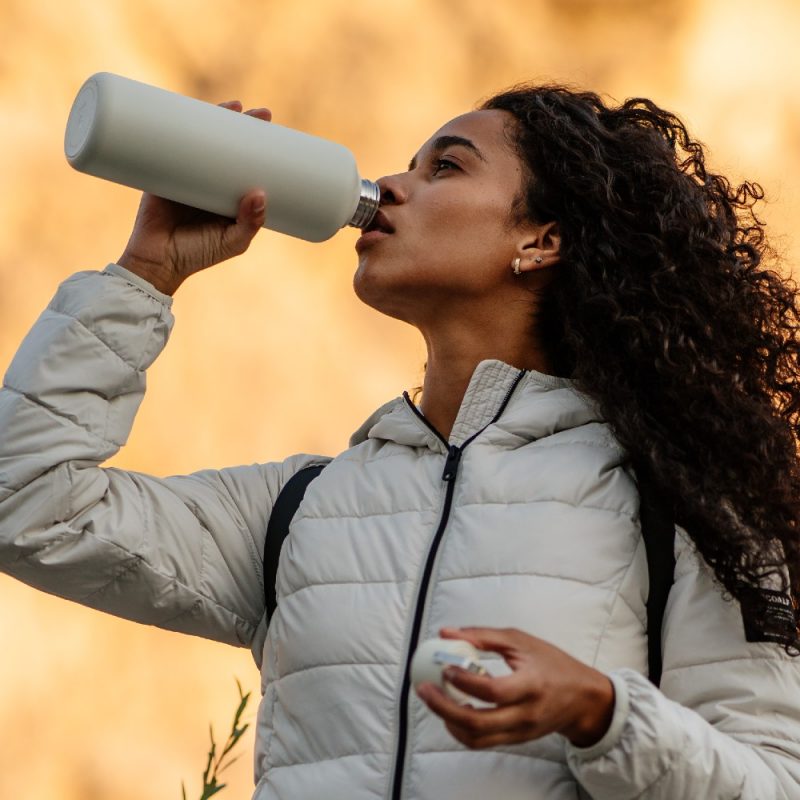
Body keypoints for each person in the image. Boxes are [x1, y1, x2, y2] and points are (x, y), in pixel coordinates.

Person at [1, 84, 799, 800]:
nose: (388, 186)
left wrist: (604, 714)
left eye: (445, 167)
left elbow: (773, 781)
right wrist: (145, 275)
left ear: (542, 240)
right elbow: (26, 506)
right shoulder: (301, 509)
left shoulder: (683, 510)